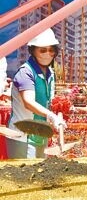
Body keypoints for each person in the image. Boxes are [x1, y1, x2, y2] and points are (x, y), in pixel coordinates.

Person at [6, 28, 67, 159]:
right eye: (42, 50)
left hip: (40, 135)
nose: (47, 54)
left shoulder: (50, 73)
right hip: (22, 136)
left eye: (51, 50)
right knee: (23, 176)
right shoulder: (25, 72)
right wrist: (51, 115)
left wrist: (55, 117)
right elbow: (28, 102)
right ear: (33, 51)